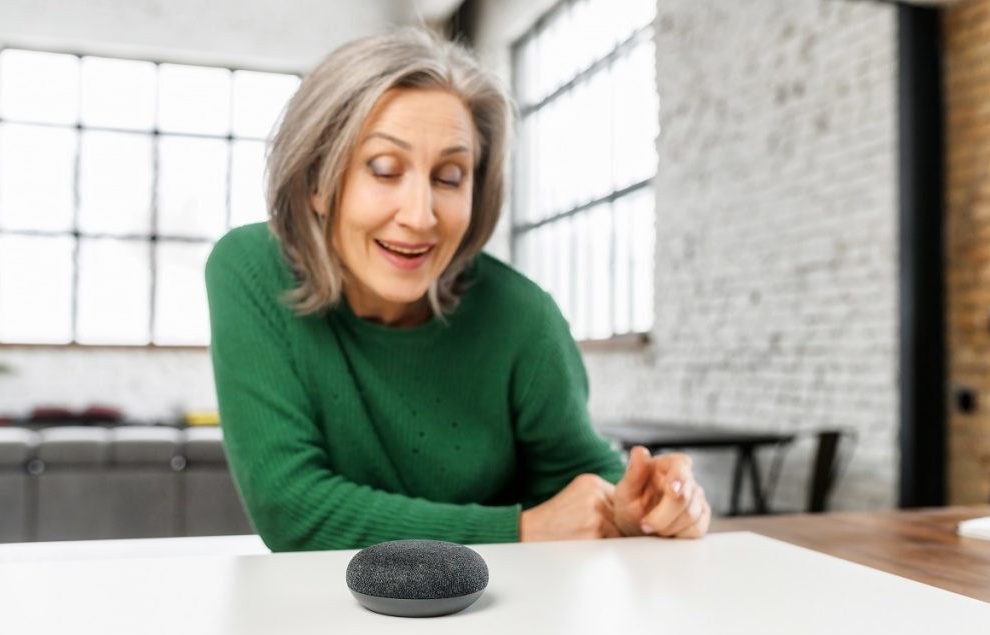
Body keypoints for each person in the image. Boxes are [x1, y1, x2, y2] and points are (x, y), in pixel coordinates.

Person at [205, 27, 711, 552]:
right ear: (317, 181)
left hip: (491, 614)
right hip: (319, 614)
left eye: (449, 177)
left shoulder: (523, 316)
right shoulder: (250, 270)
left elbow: (586, 484)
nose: (420, 216)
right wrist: (520, 531)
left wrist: (644, 509)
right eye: (384, 169)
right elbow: (291, 507)